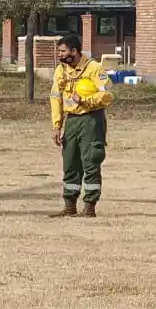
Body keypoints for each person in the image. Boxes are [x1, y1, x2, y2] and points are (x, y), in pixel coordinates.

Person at [49, 33, 113, 217]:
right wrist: (56, 125)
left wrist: (86, 100)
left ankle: (89, 207)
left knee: (91, 160)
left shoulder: (94, 68)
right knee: (70, 162)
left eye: (63, 51)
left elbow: (108, 95)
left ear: (74, 51)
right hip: (72, 120)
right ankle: (69, 206)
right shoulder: (61, 71)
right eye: (59, 51)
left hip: (91, 119)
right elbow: (56, 98)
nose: (60, 55)